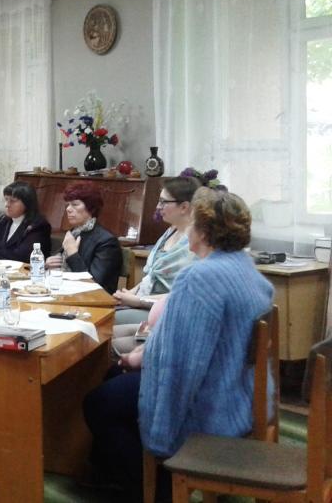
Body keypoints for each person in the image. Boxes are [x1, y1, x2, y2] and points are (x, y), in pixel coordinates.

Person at [83, 189, 273, 501]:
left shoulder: (199, 278)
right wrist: (143, 354)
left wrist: (137, 358)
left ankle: (159, 490)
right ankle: (115, 476)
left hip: (212, 401)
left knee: (97, 403)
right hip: (241, 391)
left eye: (193, 224)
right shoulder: (246, 269)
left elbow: (180, 358)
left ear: (204, 232)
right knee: (112, 379)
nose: (188, 232)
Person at [112, 176, 200, 333]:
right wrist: (130, 293)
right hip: (145, 303)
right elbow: (152, 276)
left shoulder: (195, 244)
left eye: (164, 202)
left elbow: (181, 296)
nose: (158, 206)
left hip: (169, 312)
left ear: (184, 207)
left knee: (108, 321)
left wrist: (138, 300)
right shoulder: (171, 231)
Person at [45, 181, 123, 293]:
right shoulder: (75, 232)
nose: (68, 209)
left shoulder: (107, 242)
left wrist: (72, 254)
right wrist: (48, 263)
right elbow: (58, 262)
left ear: (91, 207)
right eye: (68, 204)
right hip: (66, 291)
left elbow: (94, 284)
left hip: (93, 299)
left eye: (75, 204)